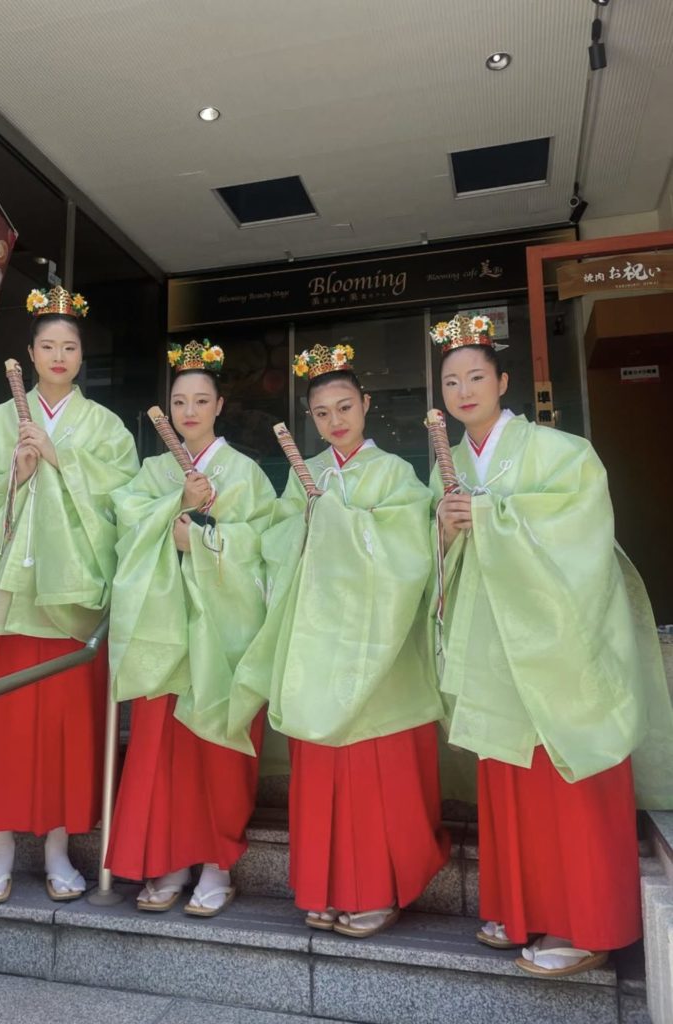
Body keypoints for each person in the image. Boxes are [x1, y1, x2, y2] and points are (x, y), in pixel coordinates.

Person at [429, 312, 673, 977]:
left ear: (503, 381)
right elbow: (438, 557)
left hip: (558, 650)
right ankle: (521, 908)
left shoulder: (562, 452)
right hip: (494, 651)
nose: (464, 390)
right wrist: (444, 529)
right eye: (451, 382)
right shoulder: (449, 467)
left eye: (476, 376)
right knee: (510, 777)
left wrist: (486, 516)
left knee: (569, 775)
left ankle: (588, 924)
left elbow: (580, 531)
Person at [0, 286, 138, 904]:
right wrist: (11, 476)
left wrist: (63, 458)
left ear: (82, 355)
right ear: (30, 352)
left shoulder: (105, 428)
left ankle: (57, 849)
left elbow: (125, 501)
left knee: (64, 732)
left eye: (69, 346)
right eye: (48, 346)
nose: (59, 356)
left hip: (69, 605)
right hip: (4, 600)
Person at [229, 342, 450, 938]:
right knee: (324, 769)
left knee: (378, 772)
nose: (335, 421)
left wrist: (337, 521)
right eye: (323, 413)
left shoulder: (395, 473)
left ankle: (378, 889)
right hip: (320, 646)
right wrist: (306, 522)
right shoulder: (306, 476)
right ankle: (325, 887)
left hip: (381, 650)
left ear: (366, 404)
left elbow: (410, 553)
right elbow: (276, 547)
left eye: (345, 407)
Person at [106, 339, 275, 916]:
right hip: (163, 632)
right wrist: (174, 503)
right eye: (180, 401)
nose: (190, 411)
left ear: (220, 405)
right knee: (164, 754)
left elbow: (265, 548)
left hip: (222, 634)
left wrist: (200, 539)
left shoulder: (246, 473)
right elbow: (126, 530)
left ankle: (217, 864)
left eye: (202, 400)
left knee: (217, 750)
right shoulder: (153, 471)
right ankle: (173, 857)